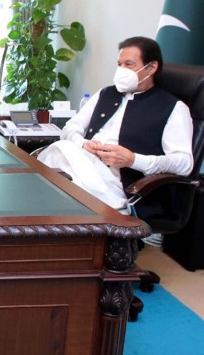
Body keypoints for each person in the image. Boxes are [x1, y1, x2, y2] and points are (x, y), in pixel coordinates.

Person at [38, 36, 193, 232]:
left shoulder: (172, 107)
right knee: (60, 154)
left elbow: (185, 163)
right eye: (119, 64)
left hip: (123, 182)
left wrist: (133, 160)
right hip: (86, 161)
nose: (122, 70)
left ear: (151, 68)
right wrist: (83, 143)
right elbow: (70, 128)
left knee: (54, 180)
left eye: (129, 64)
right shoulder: (106, 94)